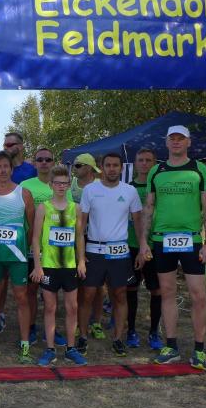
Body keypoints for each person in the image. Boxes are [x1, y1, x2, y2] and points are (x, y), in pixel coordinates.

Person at [140, 125, 206, 370]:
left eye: (180, 138)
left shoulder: (199, 169)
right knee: (167, 292)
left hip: (191, 240)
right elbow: (148, 207)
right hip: (162, 239)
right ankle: (171, 346)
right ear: (166, 142)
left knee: (198, 294)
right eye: (172, 138)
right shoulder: (156, 171)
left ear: (188, 142)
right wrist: (144, 241)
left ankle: (199, 349)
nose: (176, 142)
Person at [77, 153, 144, 359]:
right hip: (94, 250)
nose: (112, 169)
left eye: (116, 165)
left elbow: (138, 222)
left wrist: (143, 247)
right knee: (88, 294)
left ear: (121, 168)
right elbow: (80, 226)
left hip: (119, 252)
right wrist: (80, 256)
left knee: (120, 294)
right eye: (108, 165)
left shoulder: (130, 191)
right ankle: (82, 337)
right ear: (102, 167)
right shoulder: (90, 190)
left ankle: (117, 339)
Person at [0, 151, 35, 362]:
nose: (2, 170)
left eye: (6, 166)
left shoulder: (24, 194)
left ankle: (25, 345)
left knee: (21, 298)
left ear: (11, 169)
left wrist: (22, 246)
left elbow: (31, 227)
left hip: (18, 256)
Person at [30, 166, 87, 366]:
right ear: (51, 185)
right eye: (58, 183)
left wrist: (81, 261)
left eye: (65, 183)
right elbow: (35, 238)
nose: (61, 187)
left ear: (68, 185)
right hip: (49, 266)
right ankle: (50, 349)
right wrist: (37, 266)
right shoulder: (43, 207)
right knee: (50, 308)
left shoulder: (75, 208)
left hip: (69, 266)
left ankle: (71, 349)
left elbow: (79, 237)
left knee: (72, 307)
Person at [126, 148, 163, 349]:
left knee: (156, 290)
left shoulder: (159, 187)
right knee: (131, 288)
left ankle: (154, 332)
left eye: (149, 160)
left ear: (155, 163)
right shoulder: (128, 188)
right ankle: (131, 330)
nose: (144, 164)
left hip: (155, 245)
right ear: (135, 163)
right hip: (131, 245)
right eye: (140, 160)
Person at [20, 147, 57, 344]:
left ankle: (52, 330)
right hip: (31, 247)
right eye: (40, 159)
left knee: (52, 293)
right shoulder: (25, 185)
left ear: (53, 162)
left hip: (55, 248)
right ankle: (32, 327)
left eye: (48, 159)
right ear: (34, 163)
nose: (44, 162)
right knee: (31, 291)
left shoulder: (61, 185)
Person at [70, 152, 107, 340]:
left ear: (89, 168)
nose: (74, 169)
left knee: (98, 284)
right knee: (78, 282)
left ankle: (96, 322)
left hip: (96, 239)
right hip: (75, 238)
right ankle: (78, 321)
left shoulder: (100, 185)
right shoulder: (71, 185)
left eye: (78, 165)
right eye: (74, 165)